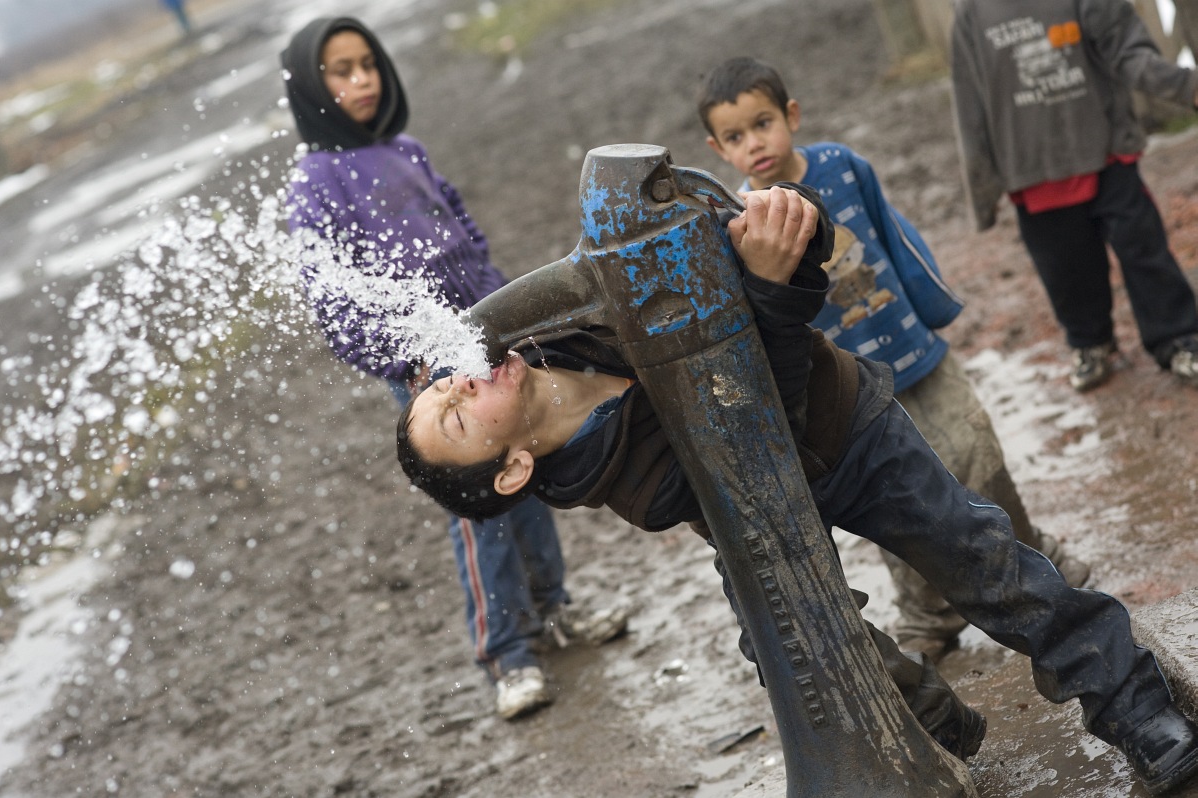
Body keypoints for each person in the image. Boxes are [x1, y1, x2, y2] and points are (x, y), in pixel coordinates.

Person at [395, 185, 1198, 795]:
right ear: (512, 469)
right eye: (457, 418)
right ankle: (929, 727)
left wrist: (783, 229)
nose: (459, 387)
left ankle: (1132, 701)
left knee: (980, 558)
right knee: (791, 649)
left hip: (849, 426)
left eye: (442, 387)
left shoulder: (544, 326)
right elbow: (754, 423)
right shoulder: (623, 485)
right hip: (752, 507)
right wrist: (771, 292)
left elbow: (704, 232)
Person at [279, 16, 628, 721]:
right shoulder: (315, 184)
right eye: (341, 72)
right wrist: (411, 362)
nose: (362, 81)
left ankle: (553, 610)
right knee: (478, 511)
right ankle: (507, 652)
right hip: (432, 378)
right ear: (312, 91)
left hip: (489, 350)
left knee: (524, 472)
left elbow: (464, 231)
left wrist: (506, 313)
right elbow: (333, 305)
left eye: (368, 64)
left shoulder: (405, 149)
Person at [694, 56, 1089, 661]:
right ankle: (928, 614)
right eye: (737, 136)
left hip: (918, 353)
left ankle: (1033, 556)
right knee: (894, 500)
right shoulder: (743, 225)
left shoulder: (843, 168)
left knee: (977, 456)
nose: (755, 144)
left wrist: (934, 307)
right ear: (719, 149)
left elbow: (897, 237)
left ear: (791, 116)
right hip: (850, 393)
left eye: (763, 123)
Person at [950, 0, 1198, 392]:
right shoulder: (971, 13)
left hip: (1105, 153)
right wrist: (982, 192)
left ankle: (1180, 338)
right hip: (1032, 167)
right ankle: (1091, 342)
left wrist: (1185, 85)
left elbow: (1128, 50)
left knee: (1144, 251)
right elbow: (970, 104)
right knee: (1066, 267)